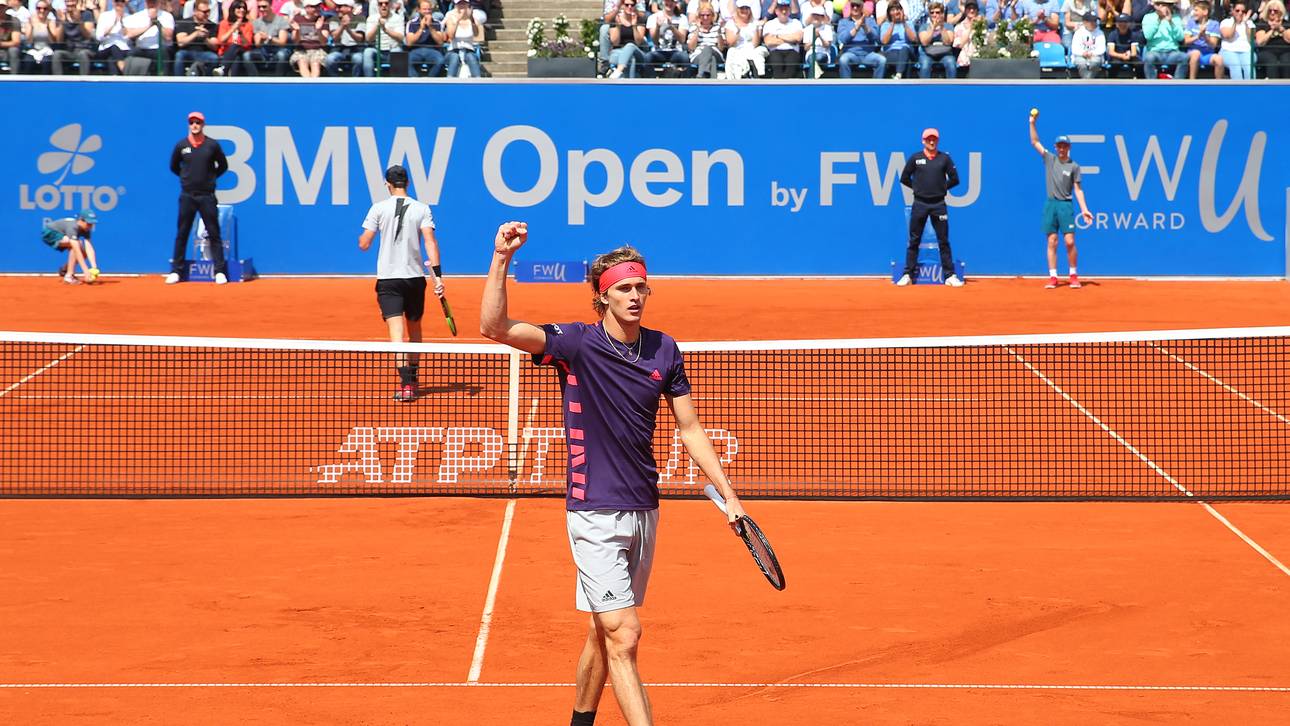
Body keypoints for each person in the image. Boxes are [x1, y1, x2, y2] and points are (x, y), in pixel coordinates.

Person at [479, 222, 746, 726]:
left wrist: (730, 496)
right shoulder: (576, 344)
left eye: (642, 286)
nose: (636, 295)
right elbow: (495, 327)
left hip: (644, 507)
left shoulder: (664, 349)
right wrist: (500, 258)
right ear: (602, 297)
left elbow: (690, 428)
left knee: (603, 633)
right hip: (593, 511)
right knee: (625, 633)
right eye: (624, 288)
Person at [357, 165, 446, 403]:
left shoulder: (378, 208)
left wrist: (365, 237)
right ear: (408, 183)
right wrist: (438, 277)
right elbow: (430, 242)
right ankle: (413, 380)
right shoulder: (422, 208)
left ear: (388, 184)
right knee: (415, 331)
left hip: (388, 280)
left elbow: (364, 243)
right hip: (415, 279)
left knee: (396, 334)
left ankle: (406, 385)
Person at [1029, 113, 1094, 289]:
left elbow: (1078, 190)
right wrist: (1032, 123)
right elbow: (1035, 142)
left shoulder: (1074, 166)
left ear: (1069, 147)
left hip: (1066, 205)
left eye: (1065, 146)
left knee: (1070, 241)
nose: (1062, 149)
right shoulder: (1050, 159)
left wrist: (1084, 209)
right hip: (1051, 205)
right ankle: (1053, 277)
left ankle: (1073, 275)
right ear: (1056, 147)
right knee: (1052, 241)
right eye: (1059, 146)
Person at [167, 111, 229, 285]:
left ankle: (219, 271)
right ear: (189, 124)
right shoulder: (181, 146)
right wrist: (185, 177)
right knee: (182, 233)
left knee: (214, 233)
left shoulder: (212, 145)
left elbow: (223, 165)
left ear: (203, 125)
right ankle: (176, 271)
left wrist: (210, 178)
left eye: (198, 122)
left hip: (207, 196)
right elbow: (173, 166)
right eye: (192, 122)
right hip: (187, 195)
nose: (195, 125)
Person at [897, 128, 962, 287]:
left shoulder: (944, 159)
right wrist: (917, 188)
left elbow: (955, 179)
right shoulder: (915, 158)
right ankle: (907, 275)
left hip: (938, 205)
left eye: (934, 139)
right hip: (920, 204)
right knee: (914, 240)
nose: (931, 142)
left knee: (943, 241)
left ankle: (949, 276)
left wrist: (942, 188)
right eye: (928, 139)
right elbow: (904, 178)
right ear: (923, 141)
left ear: (937, 141)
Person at [42, 210, 100, 285]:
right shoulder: (73, 227)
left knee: (83, 254)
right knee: (77, 245)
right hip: (50, 233)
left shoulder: (86, 228)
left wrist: (94, 268)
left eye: (91, 224)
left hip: (63, 234)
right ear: (80, 220)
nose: (90, 226)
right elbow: (76, 250)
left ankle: (65, 270)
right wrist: (86, 271)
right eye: (88, 223)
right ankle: (69, 277)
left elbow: (89, 247)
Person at [838, 0, 886, 77]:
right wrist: (856, 28)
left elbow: (875, 37)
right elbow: (843, 39)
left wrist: (864, 26)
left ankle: (877, 84)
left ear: (862, 7)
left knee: (882, 60)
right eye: (853, 5)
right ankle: (846, 84)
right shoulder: (843, 22)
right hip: (851, 53)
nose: (855, 8)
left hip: (868, 54)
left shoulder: (870, 20)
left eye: (858, 6)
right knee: (843, 60)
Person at [1142, 0, 1186, 77]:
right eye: (1161, 4)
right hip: (1154, 52)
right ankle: (1151, 83)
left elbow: (1181, 38)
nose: (1164, 7)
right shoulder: (1148, 17)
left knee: (1184, 57)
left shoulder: (1176, 18)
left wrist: (1171, 22)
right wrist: (1158, 20)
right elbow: (1148, 36)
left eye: (1168, 5)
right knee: (1149, 58)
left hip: (1172, 52)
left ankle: (1178, 82)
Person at [174, 0, 220, 75]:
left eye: (208, 11)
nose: (207, 14)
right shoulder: (184, 23)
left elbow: (215, 46)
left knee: (214, 58)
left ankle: (207, 79)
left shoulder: (212, 25)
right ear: (195, 11)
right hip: (187, 52)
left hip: (205, 53)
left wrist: (205, 38)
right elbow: (181, 43)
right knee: (179, 55)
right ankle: (179, 79)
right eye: (204, 12)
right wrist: (196, 34)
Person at [723, 0, 766, 78]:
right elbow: (730, 43)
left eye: (747, 8)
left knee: (758, 52)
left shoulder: (755, 23)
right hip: (737, 50)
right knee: (731, 52)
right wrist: (738, 31)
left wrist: (756, 28)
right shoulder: (730, 24)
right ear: (737, 9)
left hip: (752, 50)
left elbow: (755, 44)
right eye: (742, 8)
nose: (744, 11)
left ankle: (759, 75)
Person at [52, 0, 97, 74]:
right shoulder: (62, 15)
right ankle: (58, 79)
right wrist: (62, 22)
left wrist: (79, 21)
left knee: (83, 54)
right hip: (69, 50)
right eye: (67, 1)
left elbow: (88, 36)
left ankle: (84, 80)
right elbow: (59, 40)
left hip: (85, 48)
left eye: (72, 1)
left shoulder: (86, 14)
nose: (70, 3)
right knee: (57, 54)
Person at [361, 0, 404, 77]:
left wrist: (385, 30)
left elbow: (401, 37)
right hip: (377, 50)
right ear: (377, 6)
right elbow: (368, 39)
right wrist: (378, 26)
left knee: (397, 51)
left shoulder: (397, 18)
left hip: (392, 49)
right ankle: (369, 80)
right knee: (367, 52)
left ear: (390, 5)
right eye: (380, 4)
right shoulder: (371, 18)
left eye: (386, 3)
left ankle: (397, 81)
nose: (383, 6)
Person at [761, 0, 804, 77]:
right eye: (781, 9)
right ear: (776, 11)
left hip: (792, 51)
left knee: (791, 64)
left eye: (786, 9)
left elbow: (798, 38)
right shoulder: (769, 24)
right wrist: (790, 39)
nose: (784, 12)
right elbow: (768, 42)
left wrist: (777, 36)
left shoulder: (796, 23)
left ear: (789, 11)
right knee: (777, 63)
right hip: (775, 51)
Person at [645, 0, 689, 74]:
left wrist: (672, 27)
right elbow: (655, 41)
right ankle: (651, 79)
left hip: (676, 52)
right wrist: (658, 27)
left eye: (672, 1)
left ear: (675, 3)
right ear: (663, 2)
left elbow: (682, 40)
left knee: (685, 57)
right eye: (667, 1)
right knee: (648, 57)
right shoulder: (653, 17)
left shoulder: (682, 18)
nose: (669, 3)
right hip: (658, 51)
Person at [404, 0, 446, 77]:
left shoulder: (437, 23)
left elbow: (440, 42)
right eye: (424, 9)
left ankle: (430, 80)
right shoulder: (412, 23)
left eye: (429, 9)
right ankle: (415, 81)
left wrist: (430, 27)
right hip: (415, 50)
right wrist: (421, 28)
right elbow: (409, 43)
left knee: (440, 61)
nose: (427, 11)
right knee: (406, 61)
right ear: (418, 10)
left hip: (433, 50)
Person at [443, 0, 483, 77]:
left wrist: (471, 19)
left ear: (468, 4)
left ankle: (477, 79)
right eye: (459, 3)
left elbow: (477, 34)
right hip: (454, 49)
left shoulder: (473, 18)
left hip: (469, 49)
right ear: (455, 5)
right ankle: (450, 79)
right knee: (454, 57)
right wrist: (458, 21)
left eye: (464, 3)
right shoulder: (450, 17)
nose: (462, 5)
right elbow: (451, 36)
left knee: (471, 57)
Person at [917, 1, 957, 78]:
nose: (934, 15)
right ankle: (924, 85)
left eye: (937, 12)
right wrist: (932, 28)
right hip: (927, 54)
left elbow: (948, 42)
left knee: (951, 63)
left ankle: (952, 84)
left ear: (942, 14)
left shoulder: (948, 26)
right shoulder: (924, 26)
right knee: (925, 65)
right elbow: (924, 42)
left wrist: (941, 27)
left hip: (945, 53)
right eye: (932, 13)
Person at [1184, 0, 1223, 77]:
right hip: (1192, 52)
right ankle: (1192, 81)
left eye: (1196, 10)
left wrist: (1204, 35)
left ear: (1205, 12)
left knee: (1219, 59)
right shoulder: (1191, 22)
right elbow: (1186, 41)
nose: (1194, 13)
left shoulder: (1214, 24)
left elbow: (1213, 45)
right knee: (1196, 54)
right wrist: (1198, 36)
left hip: (1208, 54)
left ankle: (1219, 83)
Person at [288, 0, 328, 78]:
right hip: (301, 50)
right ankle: (308, 83)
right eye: (314, 7)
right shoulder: (298, 19)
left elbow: (323, 43)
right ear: (306, 8)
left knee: (315, 63)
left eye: (318, 6)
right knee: (302, 62)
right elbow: (295, 42)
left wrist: (318, 30)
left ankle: (313, 83)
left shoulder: (322, 20)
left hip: (318, 50)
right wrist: (297, 30)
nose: (317, 8)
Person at [608, 0, 647, 78]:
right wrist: (618, 27)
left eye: (632, 5)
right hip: (618, 51)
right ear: (622, 5)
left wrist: (634, 26)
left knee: (630, 45)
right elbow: (615, 43)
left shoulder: (640, 19)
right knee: (631, 59)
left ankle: (618, 71)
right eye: (627, 5)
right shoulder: (615, 19)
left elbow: (639, 42)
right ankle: (630, 83)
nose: (629, 7)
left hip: (637, 51)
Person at [213, 0, 253, 74]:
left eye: (244, 8)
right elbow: (221, 40)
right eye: (239, 7)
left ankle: (222, 69)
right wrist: (232, 29)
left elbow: (247, 44)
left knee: (235, 46)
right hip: (226, 52)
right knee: (236, 58)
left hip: (242, 51)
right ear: (233, 9)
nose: (242, 10)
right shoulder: (224, 23)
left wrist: (240, 32)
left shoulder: (248, 25)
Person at [686, 0, 724, 77]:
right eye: (702, 15)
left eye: (708, 15)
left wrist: (719, 33)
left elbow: (721, 48)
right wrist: (697, 30)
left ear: (712, 16)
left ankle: (701, 75)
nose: (705, 17)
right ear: (699, 16)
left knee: (707, 48)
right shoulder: (694, 27)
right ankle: (709, 78)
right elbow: (691, 48)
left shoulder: (717, 27)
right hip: (698, 55)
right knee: (711, 59)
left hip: (716, 53)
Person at [879, 2, 917, 78]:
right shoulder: (885, 25)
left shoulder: (909, 23)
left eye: (898, 9)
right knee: (907, 62)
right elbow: (884, 41)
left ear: (902, 11)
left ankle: (898, 74)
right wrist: (893, 23)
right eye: (893, 10)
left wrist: (904, 22)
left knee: (905, 48)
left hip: (908, 51)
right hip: (891, 52)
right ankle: (901, 78)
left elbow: (913, 39)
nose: (896, 12)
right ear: (889, 13)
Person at [1254, 0, 1290, 77]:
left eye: (1275, 11)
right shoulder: (1262, 23)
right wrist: (1272, 30)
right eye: (1270, 10)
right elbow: (1260, 42)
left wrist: (1281, 29)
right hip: (1266, 51)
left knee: (1286, 61)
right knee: (1272, 62)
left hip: (1285, 51)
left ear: (1281, 12)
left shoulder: (1286, 23)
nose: (1272, 13)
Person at [1218, 0, 1253, 77]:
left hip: (1246, 51)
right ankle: (1238, 85)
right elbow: (1228, 36)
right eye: (1237, 11)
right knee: (1236, 67)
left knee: (1249, 69)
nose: (1240, 13)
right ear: (1232, 11)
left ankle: (1251, 85)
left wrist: (1246, 23)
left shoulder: (1249, 23)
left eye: (1243, 11)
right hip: (1228, 51)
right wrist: (1235, 22)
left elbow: (1251, 38)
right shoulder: (1226, 22)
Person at [1071, 10, 1107, 75]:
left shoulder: (1100, 33)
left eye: (1095, 21)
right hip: (1080, 56)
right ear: (1084, 22)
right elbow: (1074, 48)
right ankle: (1089, 80)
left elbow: (1102, 49)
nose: (1093, 23)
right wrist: (1083, 53)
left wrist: (1092, 53)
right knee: (1081, 63)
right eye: (1091, 21)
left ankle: (1086, 80)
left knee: (1095, 62)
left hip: (1095, 56)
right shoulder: (1078, 33)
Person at [1105, 11, 1142, 76]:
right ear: (1116, 24)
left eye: (1125, 22)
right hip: (1116, 56)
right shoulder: (1112, 34)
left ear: (1129, 24)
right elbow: (1111, 52)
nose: (1122, 25)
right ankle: (1111, 81)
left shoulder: (1133, 34)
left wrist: (1129, 55)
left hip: (1129, 56)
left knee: (1139, 64)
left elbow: (1134, 52)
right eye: (1120, 23)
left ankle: (1141, 80)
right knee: (1114, 64)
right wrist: (1122, 56)